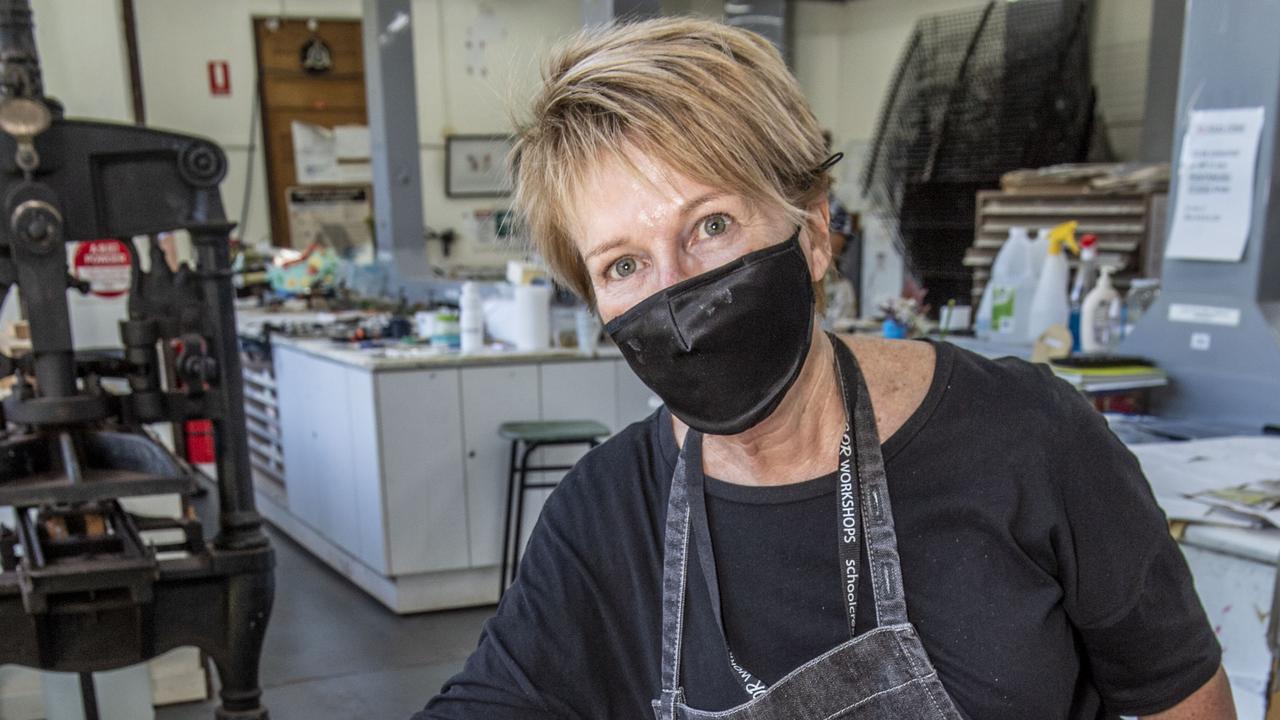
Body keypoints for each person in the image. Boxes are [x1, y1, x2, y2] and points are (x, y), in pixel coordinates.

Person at [416, 17, 1233, 720]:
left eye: (711, 225)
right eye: (623, 265)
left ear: (813, 229)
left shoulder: (1030, 442)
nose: (676, 292)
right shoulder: (605, 516)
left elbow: (1181, 698)